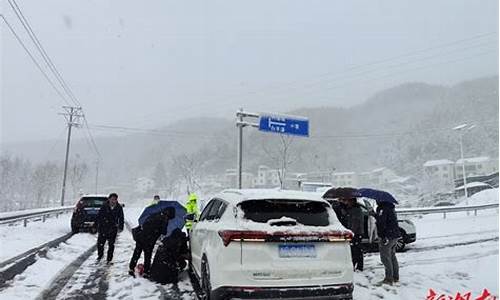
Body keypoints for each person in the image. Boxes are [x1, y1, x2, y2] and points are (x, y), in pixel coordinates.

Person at [128, 207, 175, 277]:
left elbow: (145, 223)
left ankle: (131, 268)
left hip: (141, 236)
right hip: (149, 239)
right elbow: (164, 232)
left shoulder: (155, 214)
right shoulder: (165, 219)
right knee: (147, 256)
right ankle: (146, 272)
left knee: (137, 253)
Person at [375, 199, 401, 285]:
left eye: (377, 200)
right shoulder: (390, 208)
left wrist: (382, 236)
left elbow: (382, 223)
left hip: (387, 236)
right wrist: (376, 215)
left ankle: (389, 279)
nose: (376, 201)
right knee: (392, 256)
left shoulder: (383, 209)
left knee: (385, 257)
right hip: (394, 235)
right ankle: (395, 277)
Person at [96, 193, 124, 263]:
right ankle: (100, 255)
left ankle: (109, 258)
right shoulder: (104, 206)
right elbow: (99, 216)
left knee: (111, 244)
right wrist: (96, 225)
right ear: (109, 199)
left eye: (114, 199)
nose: (113, 201)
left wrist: (120, 226)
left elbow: (121, 217)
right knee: (100, 243)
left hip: (113, 228)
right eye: (112, 199)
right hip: (103, 227)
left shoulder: (118, 207)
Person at [340, 197, 365, 271]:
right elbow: (347, 215)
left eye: (348, 201)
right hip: (354, 232)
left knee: (357, 250)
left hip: (356, 233)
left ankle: (358, 266)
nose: (347, 202)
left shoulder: (356, 210)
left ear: (352, 201)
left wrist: (351, 232)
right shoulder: (351, 209)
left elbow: (355, 223)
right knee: (354, 249)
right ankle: (355, 265)